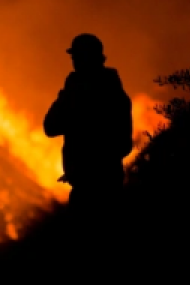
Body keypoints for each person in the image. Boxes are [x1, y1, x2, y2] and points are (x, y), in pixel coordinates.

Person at [44, 33, 133, 258]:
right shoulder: (112, 92)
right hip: (100, 184)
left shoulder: (103, 94)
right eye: (74, 57)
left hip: (99, 188)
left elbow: (122, 143)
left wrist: (69, 100)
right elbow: (50, 127)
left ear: (93, 58)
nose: (74, 63)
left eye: (79, 57)